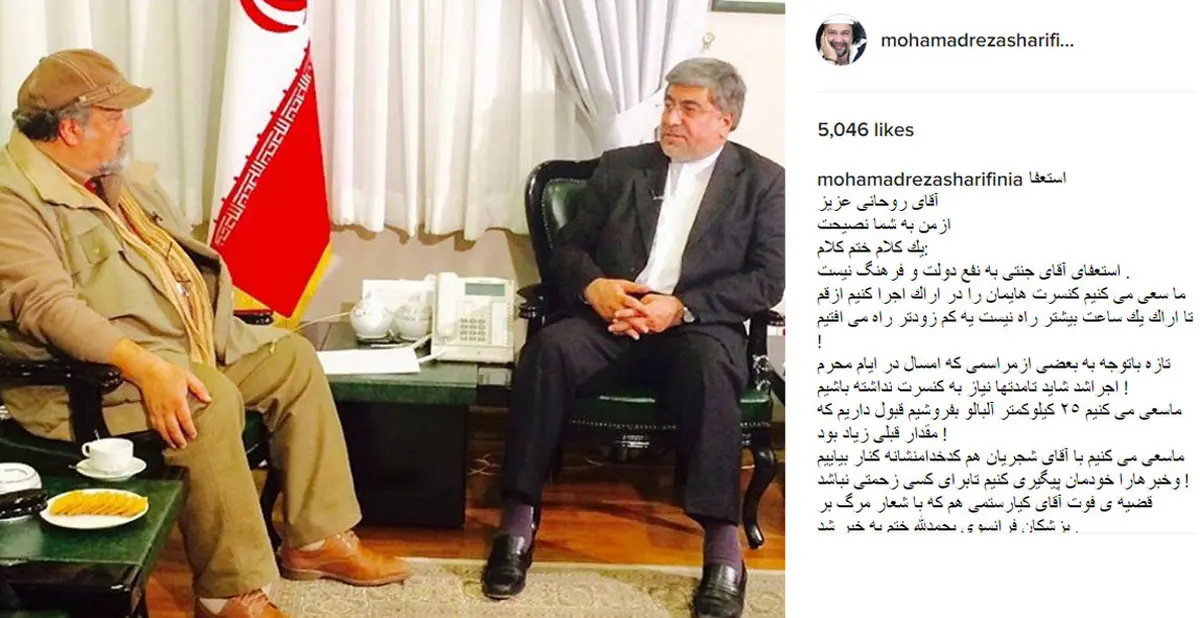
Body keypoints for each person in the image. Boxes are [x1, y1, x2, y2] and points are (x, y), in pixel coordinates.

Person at [0, 49, 410, 618]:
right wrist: (147, 367)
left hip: (182, 346)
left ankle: (315, 540)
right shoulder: (13, 199)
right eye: (115, 117)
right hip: (95, 380)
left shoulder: (104, 177)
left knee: (292, 359)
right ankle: (227, 592)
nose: (126, 128)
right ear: (71, 129)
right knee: (206, 398)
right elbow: (48, 308)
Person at [482, 57, 785, 618]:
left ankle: (722, 548)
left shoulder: (763, 182)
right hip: (611, 322)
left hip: (695, 328)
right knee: (548, 351)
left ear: (726, 120)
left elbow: (766, 279)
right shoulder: (623, 168)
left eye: (688, 108)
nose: (671, 119)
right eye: (668, 105)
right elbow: (569, 250)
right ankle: (517, 522)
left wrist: (682, 307)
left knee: (710, 371)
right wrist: (594, 287)